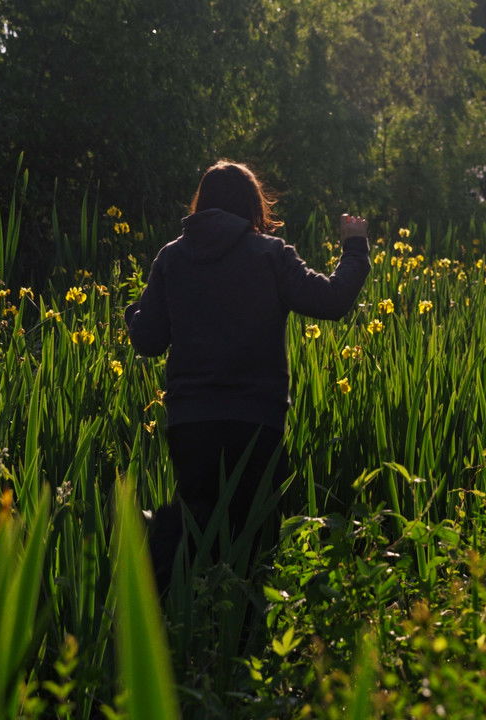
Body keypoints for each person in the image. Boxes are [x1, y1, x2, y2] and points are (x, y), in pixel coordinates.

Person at [125, 160, 370, 588]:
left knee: (196, 523)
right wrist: (355, 247)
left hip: (191, 419)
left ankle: (172, 606)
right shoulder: (270, 254)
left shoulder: (172, 256)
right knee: (253, 537)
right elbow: (332, 301)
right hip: (256, 420)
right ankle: (244, 634)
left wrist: (133, 313)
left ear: (201, 204)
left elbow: (147, 340)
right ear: (253, 206)